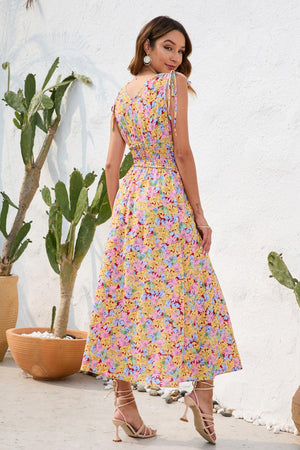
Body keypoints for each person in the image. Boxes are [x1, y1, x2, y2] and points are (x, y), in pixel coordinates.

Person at [81, 15, 242, 445]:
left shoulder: (121, 95)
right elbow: (184, 154)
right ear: (147, 46)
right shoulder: (173, 87)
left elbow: (113, 166)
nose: (176, 58)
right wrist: (200, 216)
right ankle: (202, 396)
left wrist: (122, 218)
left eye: (182, 51)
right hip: (167, 196)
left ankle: (123, 401)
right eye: (169, 47)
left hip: (133, 201)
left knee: (125, 297)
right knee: (196, 291)